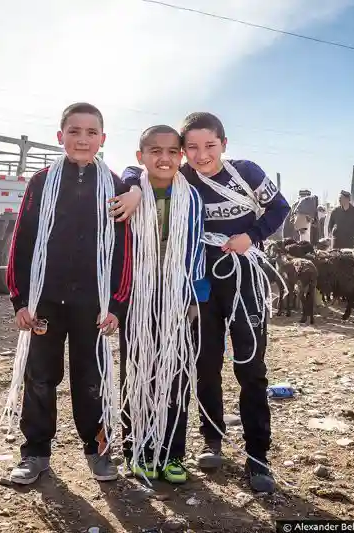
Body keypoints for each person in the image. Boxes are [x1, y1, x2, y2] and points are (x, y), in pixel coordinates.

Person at [116, 112, 290, 493]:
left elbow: (280, 209)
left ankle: (258, 456)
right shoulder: (184, 177)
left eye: (209, 145)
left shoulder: (246, 173)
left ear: (224, 144)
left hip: (244, 277)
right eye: (191, 147)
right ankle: (212, 440)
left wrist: (253, 235)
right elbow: (137, 168)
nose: (200, 154)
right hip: (201, 283)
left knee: (250, 366)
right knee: (203, 364)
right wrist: (132, 187)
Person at [5, 102, 132, 485]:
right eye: (74, 132)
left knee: (91, 378)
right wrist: (20, 300)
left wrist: (117, 305)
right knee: (40, 377)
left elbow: (125, 250)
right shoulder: (41, 183)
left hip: (92, 304)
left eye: (91, 132)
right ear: (60, 137)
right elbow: (22, 242)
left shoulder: (115, 186)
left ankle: (98, 452)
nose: (82, 139)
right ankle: (36, 454)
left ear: (103, 139)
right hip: (45, 301)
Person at [117, 125, 209, 485]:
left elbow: (196, 249)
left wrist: (195, 299)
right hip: (137, 297)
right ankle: (137, 449)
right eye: (155, 151)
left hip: (176, 297)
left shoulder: (193, 198)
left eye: (173, 152)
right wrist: (133, 187)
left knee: (176, 374)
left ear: (182, 157)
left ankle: (172, 452)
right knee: (138, 371)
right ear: (141, 157)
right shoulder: (127, 192)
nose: (164, 158)